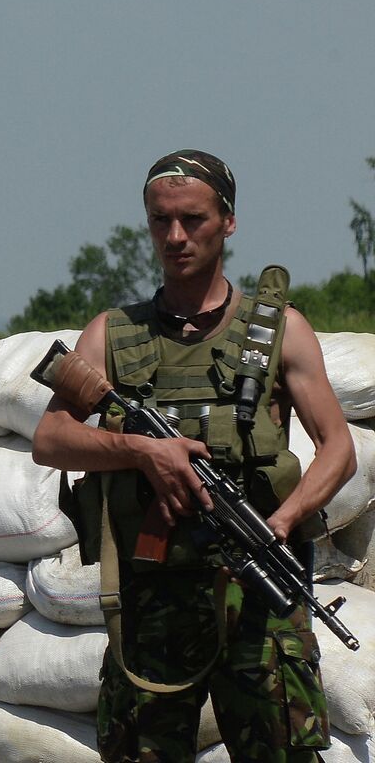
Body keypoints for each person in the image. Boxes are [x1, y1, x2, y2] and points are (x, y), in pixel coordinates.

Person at [32, 150, 354, 762]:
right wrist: (142, 452)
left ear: (228, 221)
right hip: (152, 599)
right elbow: (51, 440)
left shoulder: (280, 329)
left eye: (194, 219)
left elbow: (338, 450)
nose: (175, 237)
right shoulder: (112, 334)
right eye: (160, 221)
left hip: (257, 596)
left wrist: (280, 526)